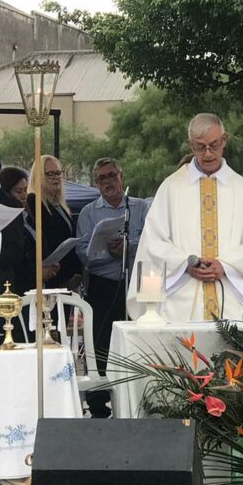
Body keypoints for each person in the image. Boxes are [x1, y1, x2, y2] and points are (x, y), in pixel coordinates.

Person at [127, 113, 243, 322]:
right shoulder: (171, 187)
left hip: (229, 298)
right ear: (190, 145)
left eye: (214, 145)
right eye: (200, 147)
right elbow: (153, 241)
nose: (208, 154)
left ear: (225, 140)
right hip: (180, 301)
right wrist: (185, 264)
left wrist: (226, 265)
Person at [75, 158, 150, 416]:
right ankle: (98, 403)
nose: (107, 182)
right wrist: (110, 253)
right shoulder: (88, 213)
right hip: (104, 285)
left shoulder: (140, 208)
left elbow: (153, 243)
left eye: (111, 175)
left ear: (121, 175)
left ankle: (139, 396)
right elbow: (83, 253)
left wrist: (128, 247)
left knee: (137, 339)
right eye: (101, 179)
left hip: (137, 285)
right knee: (101, 342)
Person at [23, 155, 79, 290]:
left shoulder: (60, 205)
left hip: (67, 277)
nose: (56, 177)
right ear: (39, 177)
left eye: (58, 173)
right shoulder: (34, 201)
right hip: (50, 277)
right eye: (50, 174)